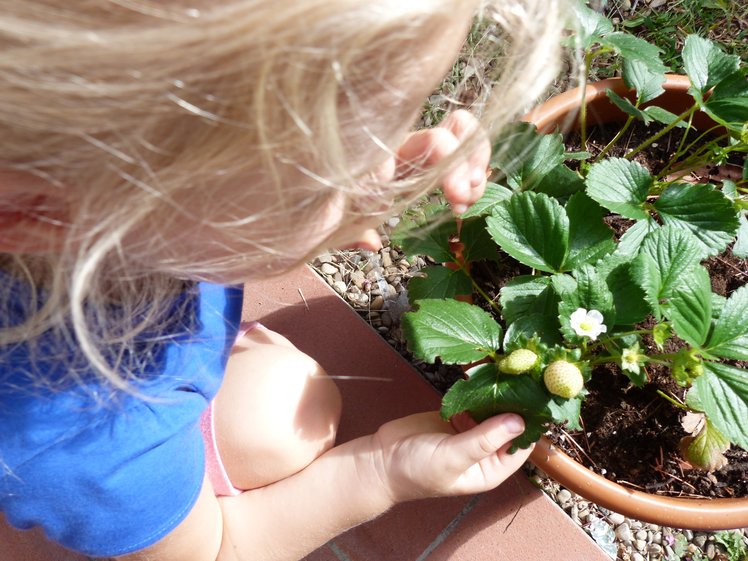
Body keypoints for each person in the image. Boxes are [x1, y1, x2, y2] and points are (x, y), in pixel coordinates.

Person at [0, 1, 565, 559]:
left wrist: (342, 191)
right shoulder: (82, 435)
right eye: (323, 177)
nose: (384, 170)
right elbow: (217, 552)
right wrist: (383, 471)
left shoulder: (99, 202)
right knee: (289, 414)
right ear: (35, 214)